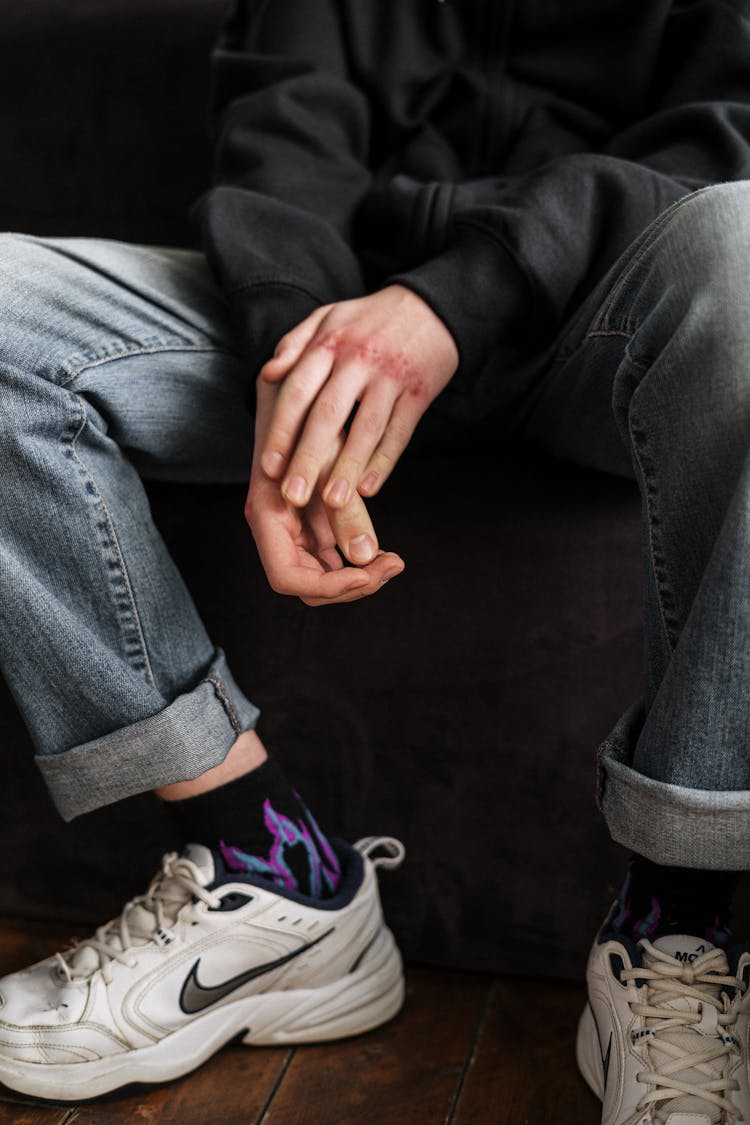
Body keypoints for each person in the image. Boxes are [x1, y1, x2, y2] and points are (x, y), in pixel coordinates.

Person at [0, 0, 749, 1119]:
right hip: (324, 311)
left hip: (615, 313)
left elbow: (723, 135)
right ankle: (264, 858)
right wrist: (307, 379)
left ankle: (684, 926)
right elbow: (281, 138)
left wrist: (454, 301)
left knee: (744, 241)